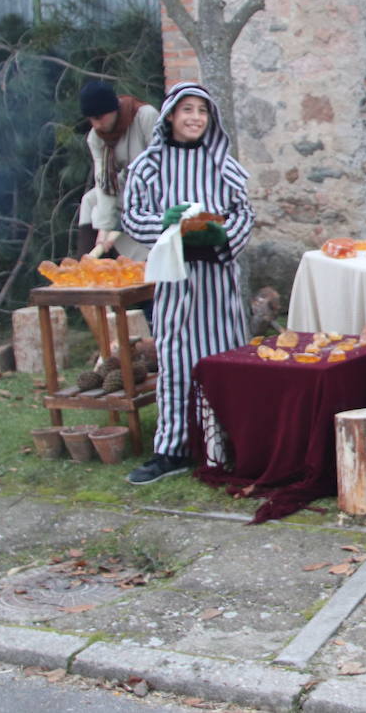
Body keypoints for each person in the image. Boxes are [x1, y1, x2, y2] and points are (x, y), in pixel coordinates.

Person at [120, 82, 256, 484]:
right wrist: (169, 226)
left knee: (224, 361)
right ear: (170, 117)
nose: (195, 117)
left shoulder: (224, 165)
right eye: (187, 110)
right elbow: (131, 215)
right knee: (177, 360)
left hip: (216, 279)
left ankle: (229, 445)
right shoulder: (148, 165)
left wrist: (219, 236)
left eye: (202, 110)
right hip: (175, 280)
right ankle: (173, 448)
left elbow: (244, 214)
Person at [77, 81, 159, 259]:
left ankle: (119, 260)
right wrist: (103, 229)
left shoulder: (145, 116)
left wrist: (114, 225)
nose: (96, 125)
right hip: (127, 182)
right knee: (89, 200)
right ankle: (86, 264)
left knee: (122, 207)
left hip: (155, 184)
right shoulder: (96, 138)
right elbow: (104, 183)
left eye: (99, 117)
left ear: (113, 110)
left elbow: (161, 163)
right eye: (91, 119)